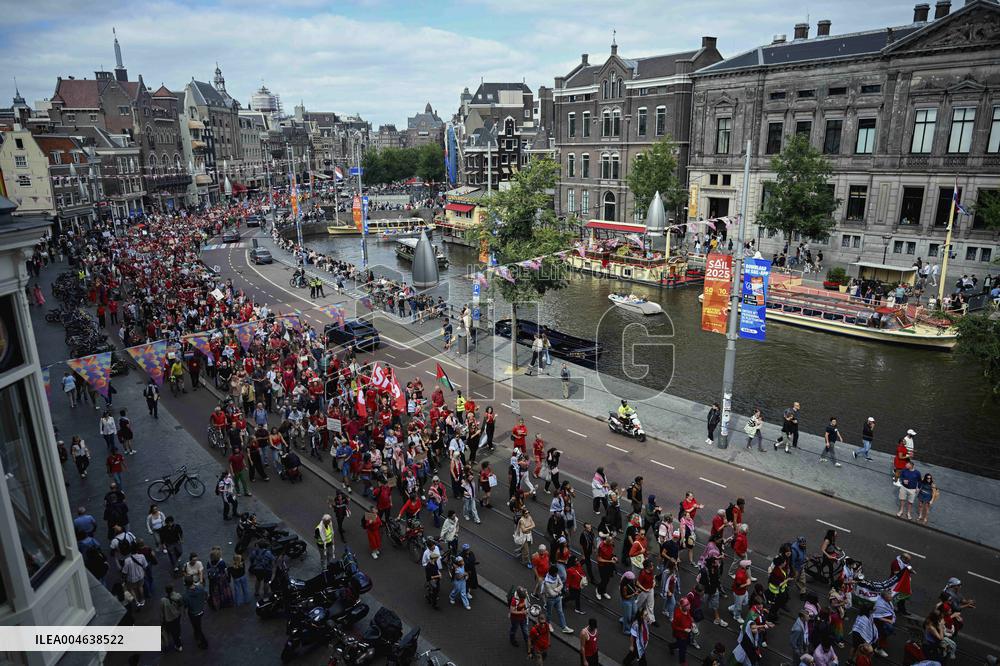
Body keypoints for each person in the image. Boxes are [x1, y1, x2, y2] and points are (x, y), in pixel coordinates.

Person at [182, 575, 209, 649]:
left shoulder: (186, 595)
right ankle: (196, 634)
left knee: (198, 628)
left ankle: (204, 643)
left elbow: (186, 605)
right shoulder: (200, 588)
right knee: (197, 625)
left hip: (193, 613)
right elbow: (206, 594)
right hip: (201, 610)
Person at [160, 584, 185, 652]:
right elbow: (181, 604)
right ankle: (178, 636)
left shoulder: (163, 600)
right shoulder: (178, 596)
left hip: (169, 619)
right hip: (177, 615)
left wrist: (162, 621)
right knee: (177, 626)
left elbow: (162, 612)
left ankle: (178, 645)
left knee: (173, 632)